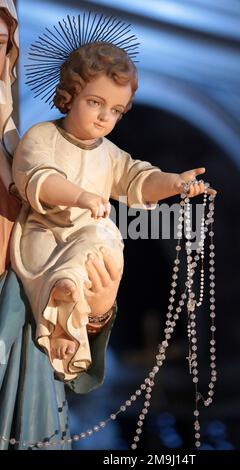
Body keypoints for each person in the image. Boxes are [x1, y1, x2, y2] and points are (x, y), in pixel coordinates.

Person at [11, 40, 217, 382]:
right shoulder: (42, 136)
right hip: (45, 233)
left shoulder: (110, 154)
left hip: (86, 238)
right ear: (70, 94)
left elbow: (140, 179)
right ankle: (61, 317)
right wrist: (82, 197)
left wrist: (176, 183)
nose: (105, 117)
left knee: (106, 234)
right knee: (66, 252)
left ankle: (73, 313)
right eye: (96, 103)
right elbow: (39, 178)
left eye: (117, 110)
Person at [0, 1, 123, 449]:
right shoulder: (38, 148)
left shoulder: (13, 155)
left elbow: (136, 178)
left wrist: (97, 311)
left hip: (25, 378)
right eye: (96, 103)